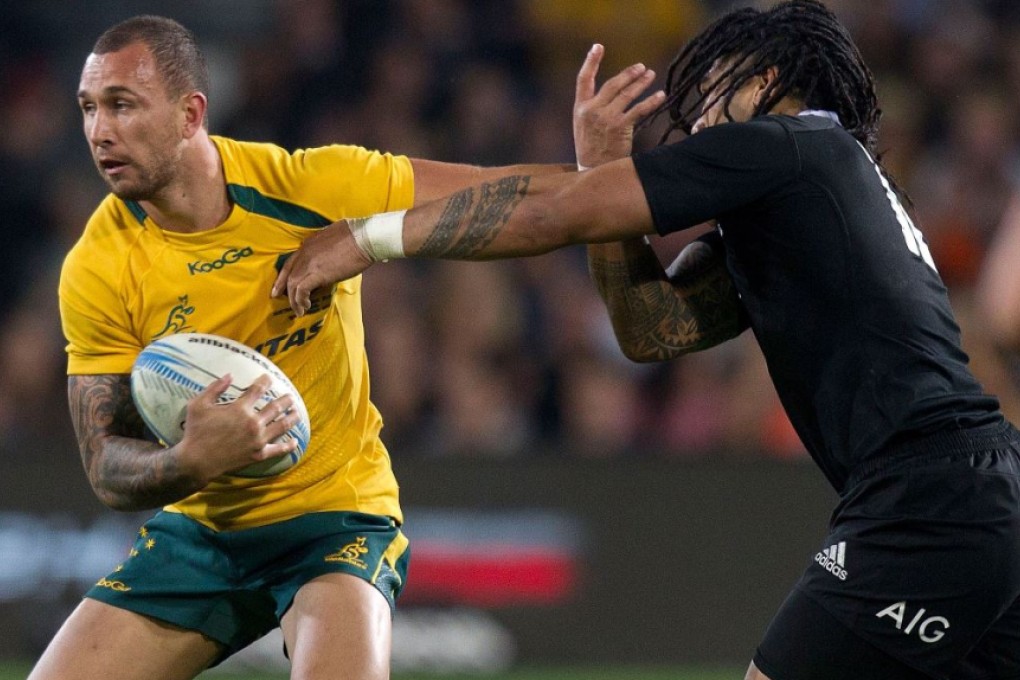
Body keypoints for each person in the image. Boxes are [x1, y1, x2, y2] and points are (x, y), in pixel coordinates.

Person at [274, 1, 1020, 678]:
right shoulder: (809, 200)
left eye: (710, 94)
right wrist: (602, 172)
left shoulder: (786, 145)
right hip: (979, 492)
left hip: (927, 496)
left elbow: (556, 212)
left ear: (765, 83)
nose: (694, 126)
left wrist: (367, 238)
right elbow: (650, 329)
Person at [35, 15, 662, 680]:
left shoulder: (310, 188)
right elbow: (105, 463)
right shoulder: (98, 265)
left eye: (122, 105)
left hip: (333, 526)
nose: (99, 131)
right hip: (201, 537)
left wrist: (596, 167)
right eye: (89, 108)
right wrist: (193, 459)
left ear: (191, 114)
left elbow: (513, 199)